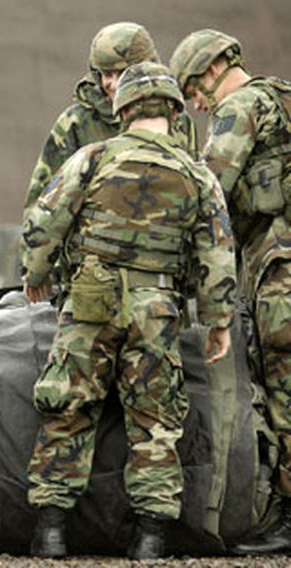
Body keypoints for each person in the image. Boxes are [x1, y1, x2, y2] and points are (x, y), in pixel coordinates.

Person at [22, 62, 236, 560]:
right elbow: (217, 255)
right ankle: (151, 538)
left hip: (90, 301)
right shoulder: (196, 174)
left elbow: (45, 221)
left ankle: (51, 531)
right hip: (157, 306)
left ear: (124, 109)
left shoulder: (93, 157)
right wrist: (218, 320)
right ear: (172, 110)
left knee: (68, 408)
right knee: (155, 421)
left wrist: (36, 274)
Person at [170, 29, 291, 555]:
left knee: (284, 389)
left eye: (195, 88)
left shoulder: (238, 108)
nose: (197, 102)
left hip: (278, 268)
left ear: (216, 67)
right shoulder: (283, 97)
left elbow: (209, 190)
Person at [23, 22, 197, 218]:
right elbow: (41, 204)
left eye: (123, 74)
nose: (114, 84)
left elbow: (193, 187)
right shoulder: (77, 122)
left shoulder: (177, 119)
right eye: (106, 74)